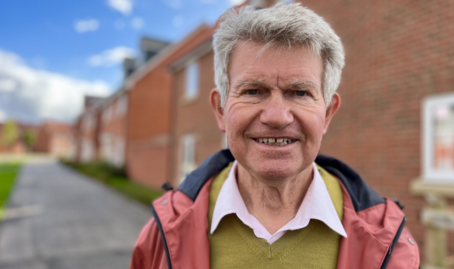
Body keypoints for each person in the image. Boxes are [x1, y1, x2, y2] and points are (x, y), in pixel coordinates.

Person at [130, 3, 420, 269]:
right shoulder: (162, 233)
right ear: (220, 109)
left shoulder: (389, 243)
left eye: (300, 92)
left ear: (328, 114)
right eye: (253, 91)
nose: (277, 116)